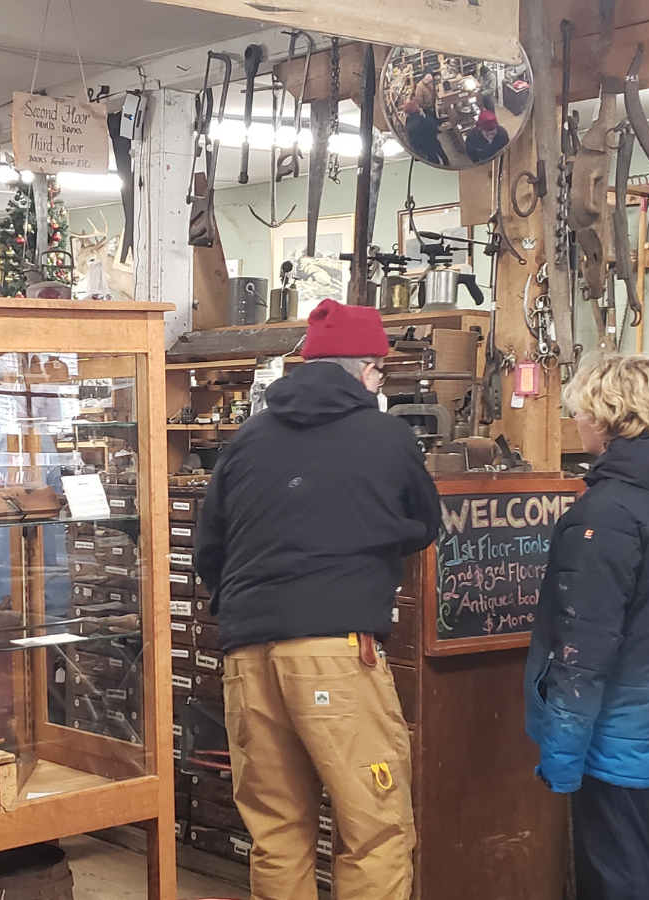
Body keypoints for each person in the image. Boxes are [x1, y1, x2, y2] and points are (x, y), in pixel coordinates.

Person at [195, 299, 442, 900]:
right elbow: (424, 524)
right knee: (373, 829)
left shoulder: (247, 439)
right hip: (335, 654)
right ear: (366, 370)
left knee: (278, 833)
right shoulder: (387, 435)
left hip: (247, 655)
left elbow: (209, 550)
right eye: (381, 371)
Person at [525, 354, 649, 900]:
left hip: (613, 726)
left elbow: (584, 647)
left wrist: (562, 752)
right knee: (637, 860)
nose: (576, 420)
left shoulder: (606, 514)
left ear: (607, 418)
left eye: (581, 410)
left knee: (620, 872)